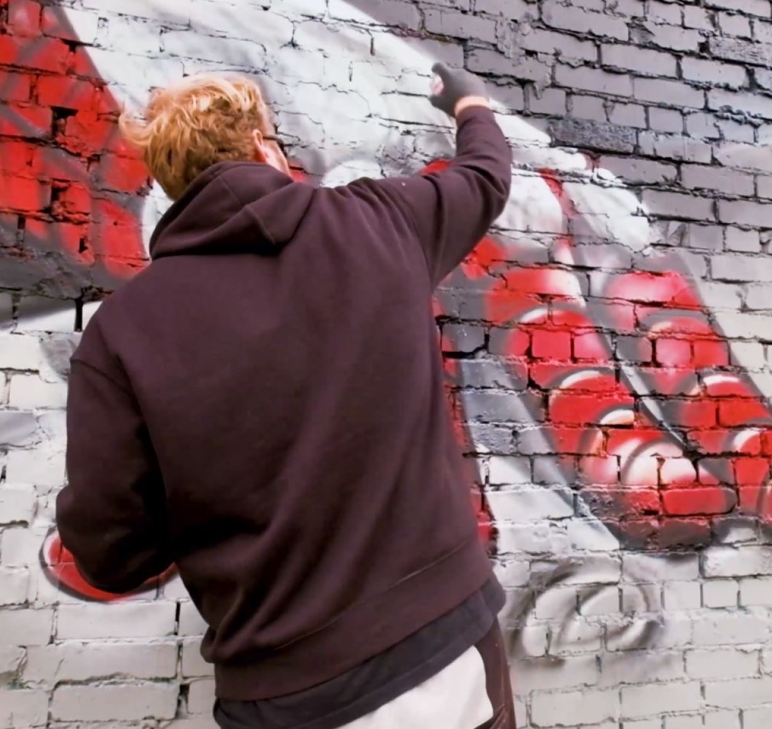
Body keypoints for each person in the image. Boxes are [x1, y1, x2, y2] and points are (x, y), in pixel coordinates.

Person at [54, 64, 515, 729]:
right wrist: (470, 102)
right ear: (265, 148)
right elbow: (485, 175)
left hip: (284, 694)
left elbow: (111, 554)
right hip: (444, 648)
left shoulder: (123, 333)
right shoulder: (379, 221)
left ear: (171, 183)